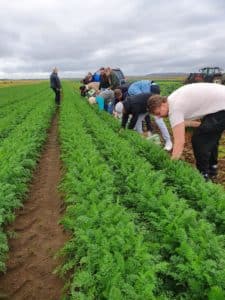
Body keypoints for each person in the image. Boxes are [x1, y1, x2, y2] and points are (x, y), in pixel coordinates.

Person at [147, 82, 225, 180]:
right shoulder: (172, 100)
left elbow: (179, 142)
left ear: (162, 104)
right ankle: (213, 168)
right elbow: (184, 123)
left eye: (158, 113)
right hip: (219, 105)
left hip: (221, 107)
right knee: (209, 136)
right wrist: (202, 125)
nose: (159, 116)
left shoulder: (175, 108)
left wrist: (171, 165)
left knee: (199, 140)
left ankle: (203, 175)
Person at [126, 80, 172, 151]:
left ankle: (168, 141)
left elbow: (145, 99)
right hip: (152, 89)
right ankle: (141, 135)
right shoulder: (133, 91)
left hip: (151, 92)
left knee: (158, 118)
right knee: (139, 118)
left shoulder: (132, 91)